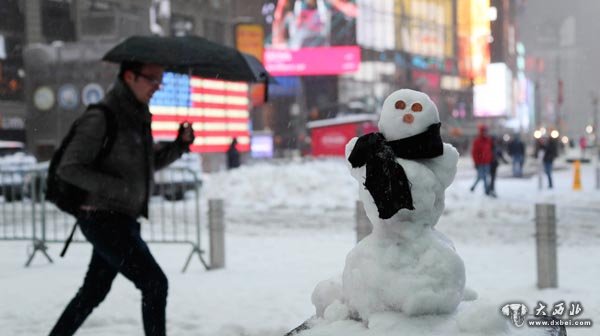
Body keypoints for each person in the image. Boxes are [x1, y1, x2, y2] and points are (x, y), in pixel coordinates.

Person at [48, 61, 195, 336]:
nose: (157, 86)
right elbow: (68, 168)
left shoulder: (137, 118)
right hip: (101, 218)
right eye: (152, 79)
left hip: (121, 218)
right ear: (130, 76)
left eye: (160, 80)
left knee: (93, 293)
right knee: (154, 284)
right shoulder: (102, 117)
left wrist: (179, 145)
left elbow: (146, 164)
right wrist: (117, 188)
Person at [470, 124, 493, 195]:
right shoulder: (477, 141)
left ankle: (475, 187)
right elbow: (474, 153)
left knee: (483, 176)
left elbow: (490, 150)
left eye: (486, 131)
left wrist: (490, 159)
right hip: (480, 163)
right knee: (482, 176)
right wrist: (476, 162)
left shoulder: (489, 140)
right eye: (484, 131)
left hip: (487, 162)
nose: (485, 133)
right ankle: (485, 190)